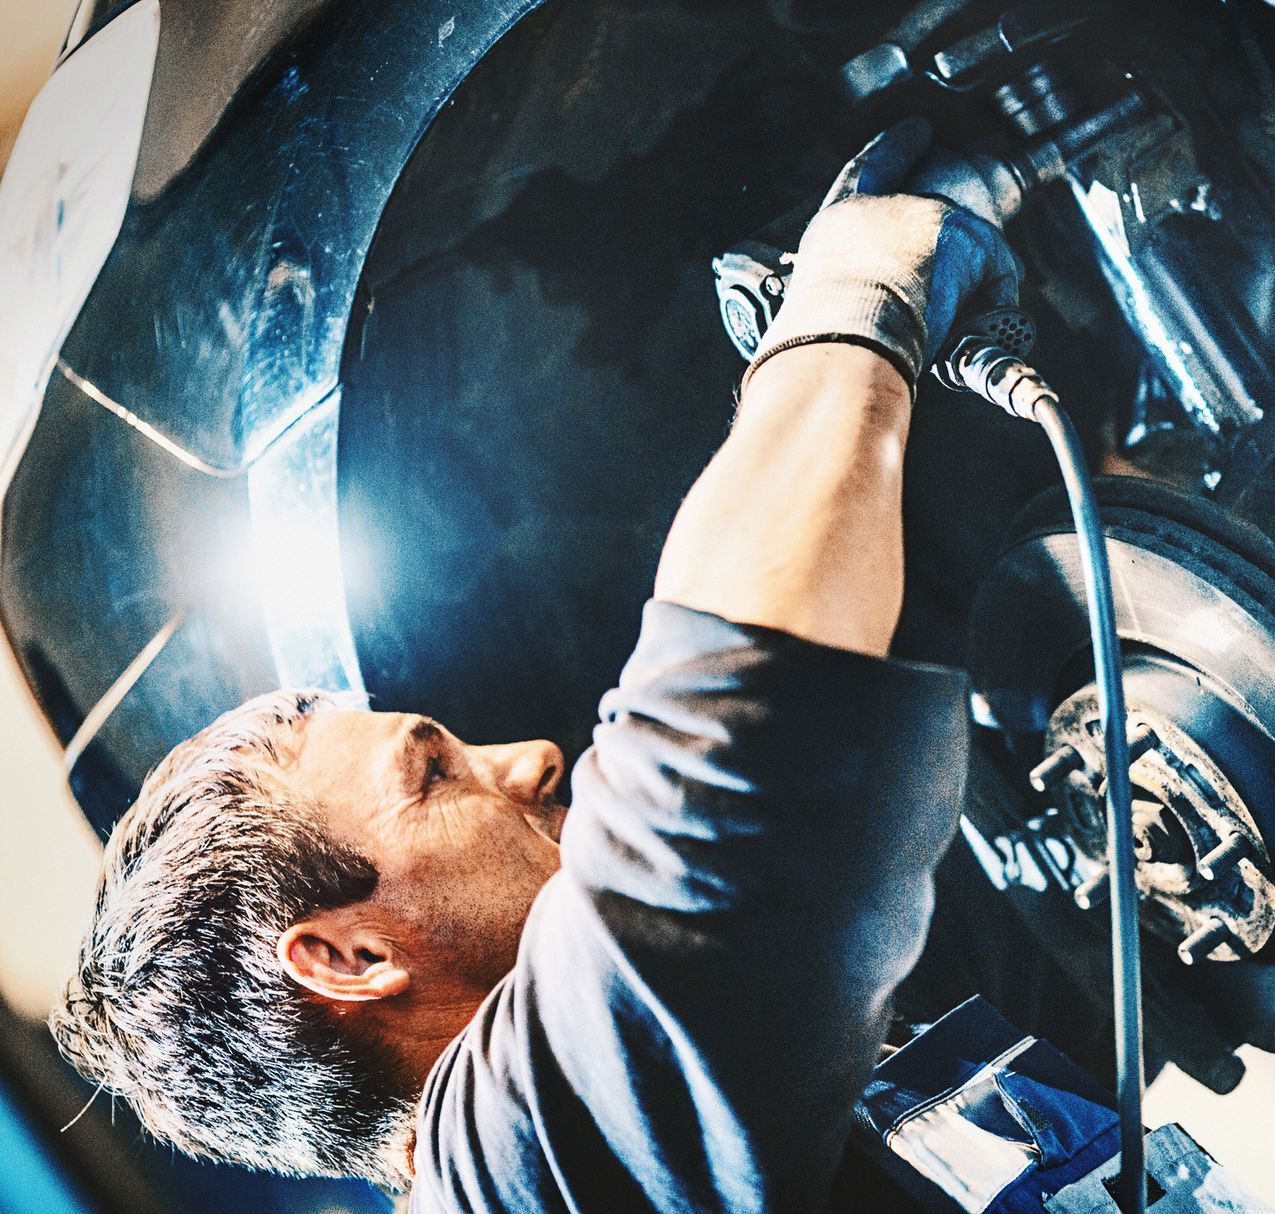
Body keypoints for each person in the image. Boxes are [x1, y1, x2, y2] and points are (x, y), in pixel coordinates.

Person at [50, 119, 1033, 1210]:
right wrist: (852, 297)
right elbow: (711, 785)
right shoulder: (510, 1176)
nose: (533, 759)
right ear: (345, 956)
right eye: (433, 775)